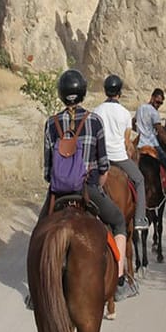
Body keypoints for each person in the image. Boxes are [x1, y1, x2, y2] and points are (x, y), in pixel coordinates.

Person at [39, 69, 135, 302]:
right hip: (88, 191)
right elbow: (103, 167)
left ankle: (36, 291)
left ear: (61, 95)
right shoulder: (94, 121)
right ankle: (121, 281)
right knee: (119, 222)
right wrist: (97, 185)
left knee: (39, 233)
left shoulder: (51, 123)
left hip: (58, 194)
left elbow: (47, 172)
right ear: (82, 93)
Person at [93, 74, 148, 232]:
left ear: (105, 91)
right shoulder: (124, 113)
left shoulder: (96, 111)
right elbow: (126, 141)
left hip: (100, 158)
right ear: (119, 93)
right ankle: (139, 219)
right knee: (139, 180)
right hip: (119, 157)